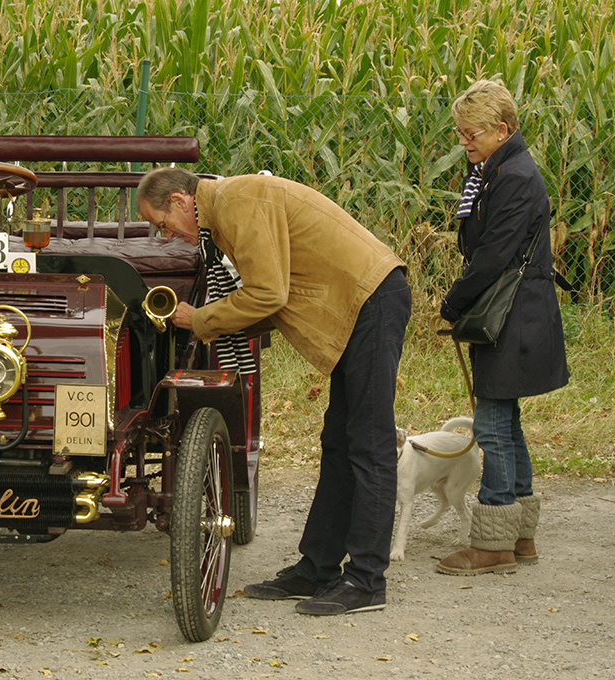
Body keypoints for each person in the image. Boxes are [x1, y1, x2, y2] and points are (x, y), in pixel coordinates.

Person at [136, 167, 410, 615]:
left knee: (370, 443)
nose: (167, 236)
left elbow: (267, 294)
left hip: (370, 300)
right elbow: (273, 292)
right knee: (338, 443)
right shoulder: (225, 211)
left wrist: (201, 320)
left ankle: (366, 581)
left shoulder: (237, 202)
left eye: (164, 224)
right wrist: (217, 321)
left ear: (183, 202)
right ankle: (318, 568)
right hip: (359, 304)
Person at [437, 79, 569, 575]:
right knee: (507, 424)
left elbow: (493, 255)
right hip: (516, 310)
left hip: (511, 314)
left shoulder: (511, 175)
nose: (464, 142)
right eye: (461, 133)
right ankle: (520, 537)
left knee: (492, 424)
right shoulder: (497, 169)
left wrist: (452, 303)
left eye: (471, 134)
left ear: (502, 129)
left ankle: (493, 544)